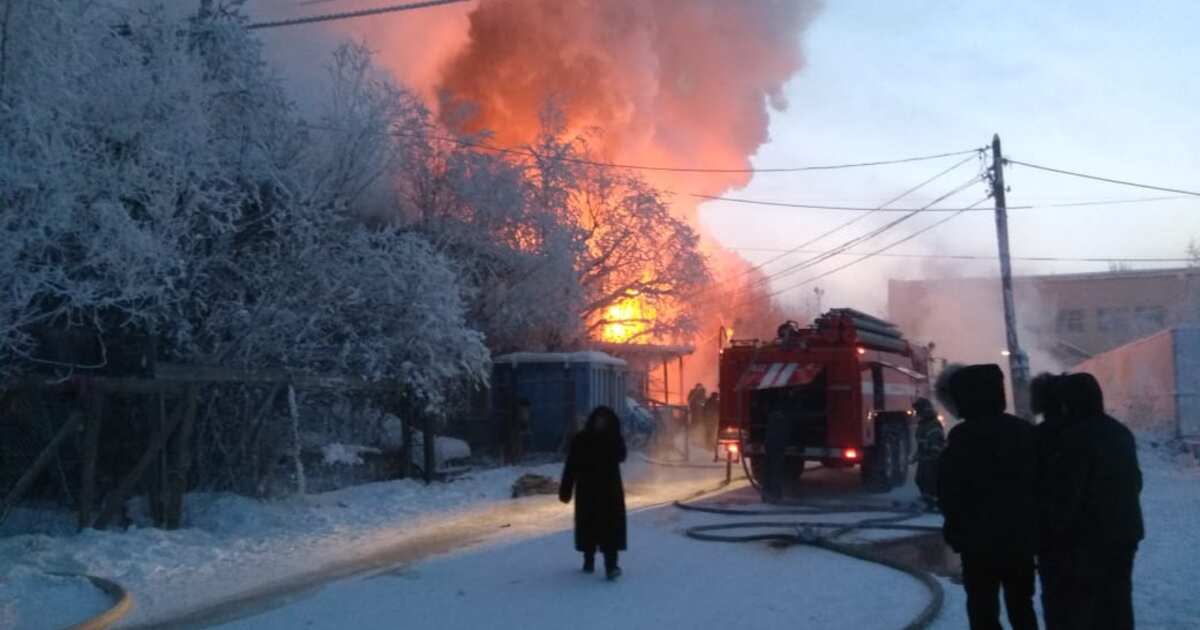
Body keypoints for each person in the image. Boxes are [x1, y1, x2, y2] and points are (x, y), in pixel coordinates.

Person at [937, 364, 1039, 630]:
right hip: (1019, 539)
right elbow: (1040, 481)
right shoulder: (1023, 431)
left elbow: (949, 489)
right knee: (1021, 605)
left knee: (982, 607)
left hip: (977, 542)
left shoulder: (961, 437)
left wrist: (955, 529)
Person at [1043, 373, 1144, 630]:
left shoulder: (1074, 437)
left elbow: (1068, 494)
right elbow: (1136, 481)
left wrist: (1053, 531)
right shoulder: (1119, 432)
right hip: (1125, 532)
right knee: (1119, 602)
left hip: (1089, 538)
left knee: (1085, 607)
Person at [559, 405, 628, 580]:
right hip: (588, 491)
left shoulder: (613, 439)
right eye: (599, 420)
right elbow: (571, 465)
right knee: (588, 526)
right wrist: (566, 489)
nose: (601, 423)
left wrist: (614, 437)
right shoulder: (581, 439)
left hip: (609, 493)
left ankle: (611, 566)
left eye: (605, 421)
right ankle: (588, 560)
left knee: (610, 529)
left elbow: (622, 455)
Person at [1030, 372, 1070, 629]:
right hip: (1097, 540)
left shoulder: (1038, 438)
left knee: (1057, 604)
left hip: (1052, 540)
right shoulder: (1101, 433)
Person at [911, 397, 944, 512]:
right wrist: (916, 456)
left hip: (932, 459)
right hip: (925, 458)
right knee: (920, 479)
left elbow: (936, 444)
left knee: (928, 480)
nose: (916, 413)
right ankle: (929, 502)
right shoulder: (923, 424)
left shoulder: (932, 424)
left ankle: (935, 503)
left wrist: (930, 455)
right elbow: (921, 443)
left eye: (917, 410)